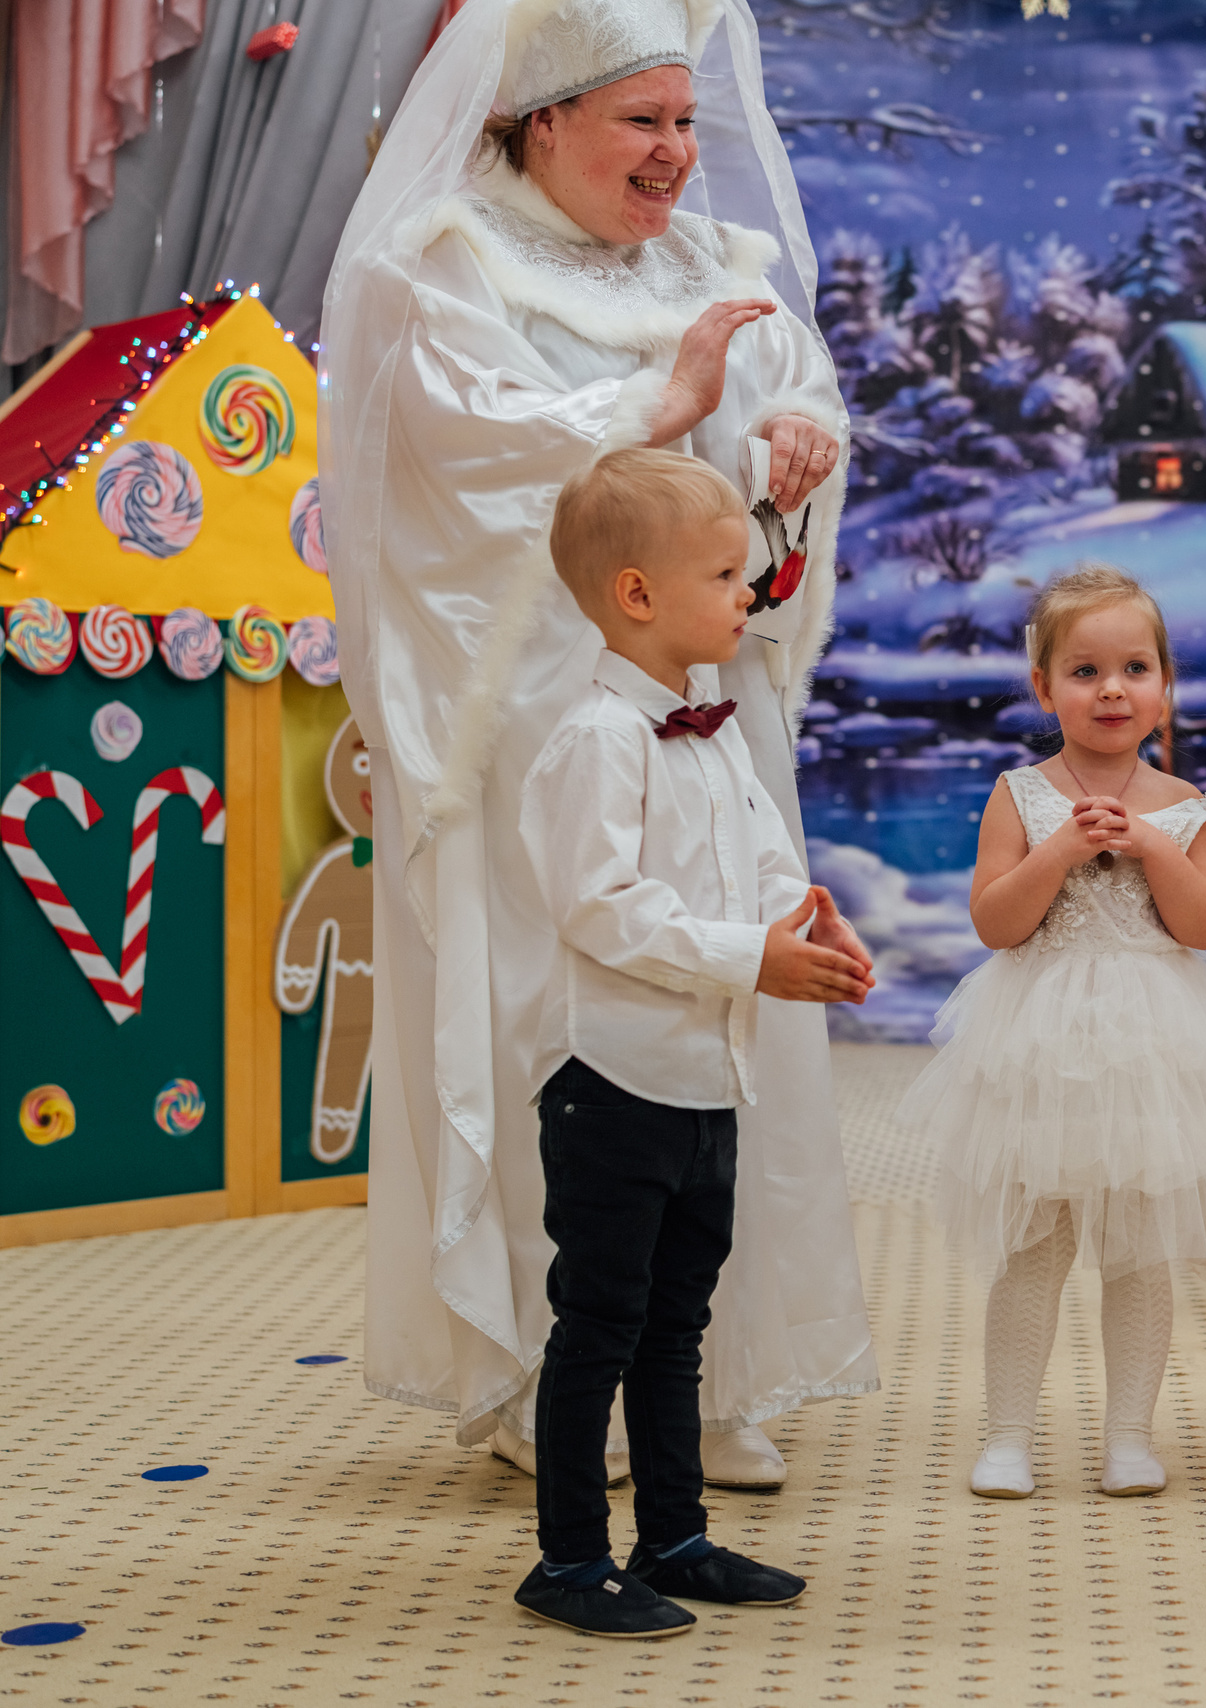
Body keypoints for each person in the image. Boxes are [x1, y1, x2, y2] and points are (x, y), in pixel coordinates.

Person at [319, 0, 875, 1489]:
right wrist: (662, 405)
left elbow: (781, 414)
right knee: (560, 1027)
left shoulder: (717, 266)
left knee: (728, 1020)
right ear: (541, 121)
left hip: (704, 706)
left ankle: (713, 1376)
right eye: (646, 123)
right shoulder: (443, 267)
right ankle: (547, 1372)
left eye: (689, 124)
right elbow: (467, 463)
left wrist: (792, 453)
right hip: (544, 726)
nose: (680, 157)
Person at [512, 449, 869, 1637]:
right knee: (599, 1323)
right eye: (725, 575)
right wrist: (744, 958)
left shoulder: (714, 735)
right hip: (612, 1082)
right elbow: (599, 907)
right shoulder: (597, 741)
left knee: (678, 1324)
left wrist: (807, 929)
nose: (748, 595)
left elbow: (764, 869)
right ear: (635, 595)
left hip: (704, 1077)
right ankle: (568, 1557)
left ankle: (672, 1532)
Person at [896, 566, 1206, 1500]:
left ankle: (1130, 1434)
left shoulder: (1185, 805)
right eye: (1085, 671)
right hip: (1041, 1046)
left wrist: (1152, 847)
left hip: (1149, 1051)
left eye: (1136, 668)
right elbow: (996, 923)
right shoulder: (1020, 793)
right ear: (1044, 687)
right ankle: (1008, 1431)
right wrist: (1058, 849)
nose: (1112, 690)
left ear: (1165, 686)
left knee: (1139, 1250)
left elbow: (1203, 928)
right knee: (1034, 1246)